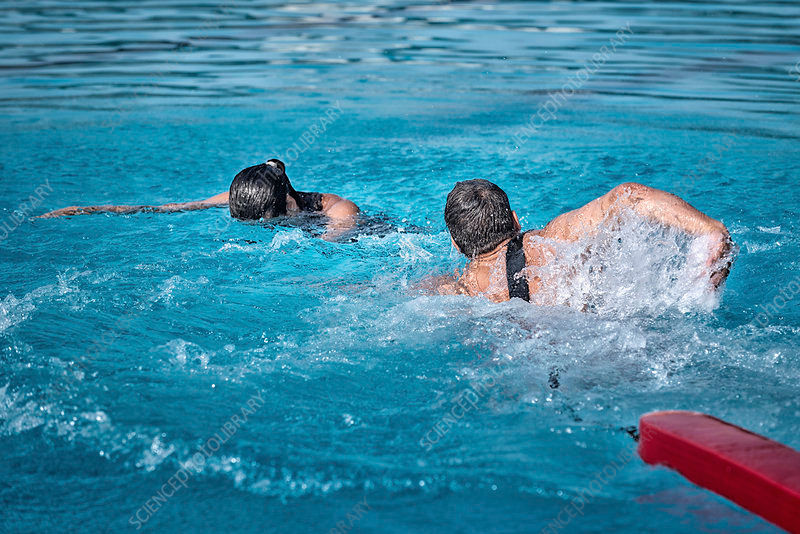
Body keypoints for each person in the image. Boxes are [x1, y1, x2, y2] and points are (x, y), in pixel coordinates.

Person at [430, 179, 733, 303]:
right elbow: (628, 196)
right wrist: (709, 229)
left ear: (456, 245)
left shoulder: (453, 292)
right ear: (515, 219)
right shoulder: (551, 243)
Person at [38, 159, 359, 237]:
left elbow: (335, 241)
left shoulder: (340, 210)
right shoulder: (247, 195)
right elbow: (169, 209)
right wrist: (89, 209)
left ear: (289, 204)